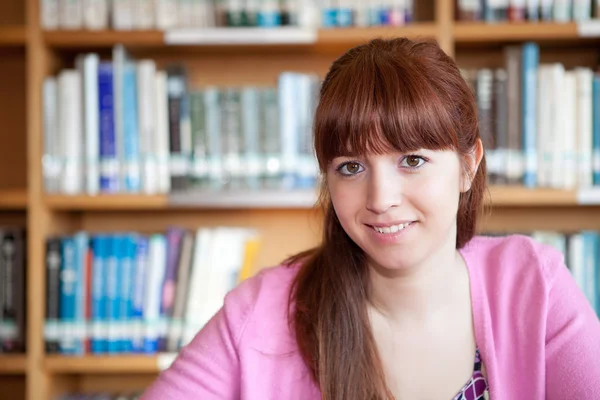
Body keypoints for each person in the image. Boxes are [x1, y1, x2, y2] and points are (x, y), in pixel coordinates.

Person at [141, 37, 600, 400]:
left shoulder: (533, 284)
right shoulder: (261, 311)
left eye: (412, 161)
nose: (380, 199)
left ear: (468, 165)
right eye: (351, 167)